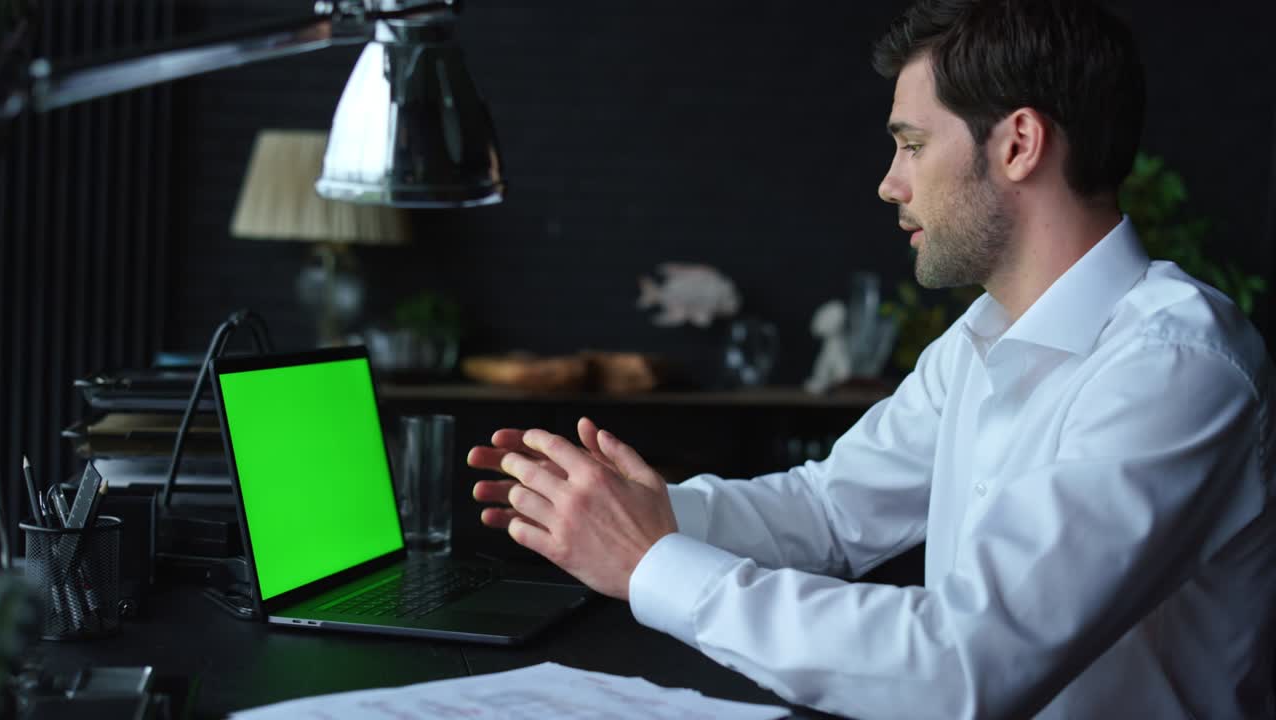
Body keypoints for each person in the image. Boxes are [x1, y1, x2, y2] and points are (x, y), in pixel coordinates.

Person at [466, 0, 1276, 717]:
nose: (890, 184)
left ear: (1020, 144)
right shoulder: (979, 339)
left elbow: (966, 667)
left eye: (912, 145)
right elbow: (829, 511)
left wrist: (651, 561)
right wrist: (658, 515)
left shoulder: (1176, 367)